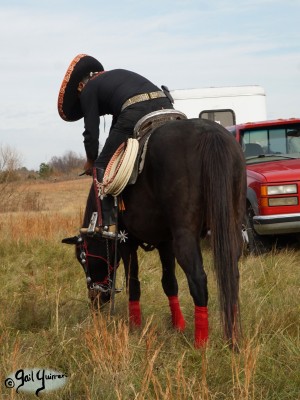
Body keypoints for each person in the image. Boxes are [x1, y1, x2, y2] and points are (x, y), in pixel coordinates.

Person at [58, 54, 174, 235]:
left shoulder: (88, 89)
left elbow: (91, 133)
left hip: (136, 109)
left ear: (80, 86)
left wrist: (91, 161)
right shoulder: (114, 80)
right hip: (165, 104)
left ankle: (107, 224)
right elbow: (117, 129)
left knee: (102, 166)